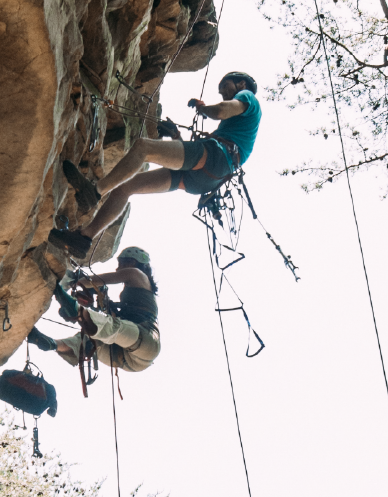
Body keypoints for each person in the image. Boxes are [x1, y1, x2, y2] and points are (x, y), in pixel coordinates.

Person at [49, 72, 263, 260]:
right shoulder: (238, 129)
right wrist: (176, 136)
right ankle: (84, 238)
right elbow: (192, 155)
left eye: (225, 88)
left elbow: (221, 111)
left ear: (241, 84)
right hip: (205, 179)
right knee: (125, 189)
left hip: (216, 157)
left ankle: (95, 192)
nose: (224, 95)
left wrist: (203, 107)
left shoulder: (247, 97)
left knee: (143, 147)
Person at [26, 246, 160, 373]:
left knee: (113, 327)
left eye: (124, 263)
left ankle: (77, 311)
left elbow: (96, 280)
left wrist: (75, 280)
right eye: (120, 263)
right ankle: (52, 344)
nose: (119, 267)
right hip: (127, 358)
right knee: (87, 340)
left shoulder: (136, 274)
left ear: (135, 263)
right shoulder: (140, 290)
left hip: (146, 341)